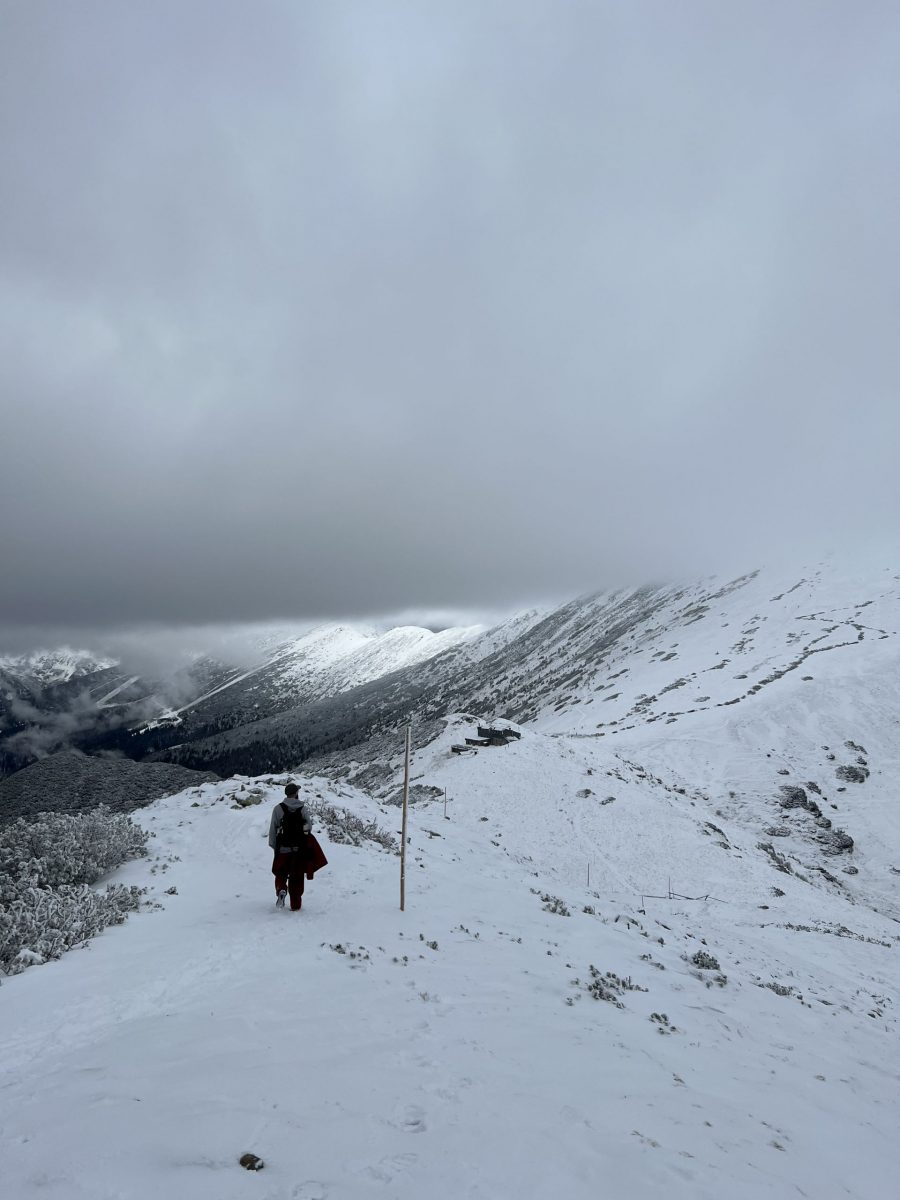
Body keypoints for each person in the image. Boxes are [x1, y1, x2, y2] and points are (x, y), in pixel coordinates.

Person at [269, 782, 316, 911]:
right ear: (296, 793)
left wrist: (275, 847)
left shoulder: (278, 808)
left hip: (283, 848)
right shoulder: (302, 808)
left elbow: (273, 828)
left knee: (280, 872)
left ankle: (281, 889)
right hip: (299, 850)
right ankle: (295, 905)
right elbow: (309, 827)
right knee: (297, 877)